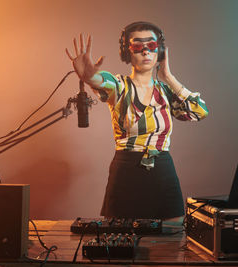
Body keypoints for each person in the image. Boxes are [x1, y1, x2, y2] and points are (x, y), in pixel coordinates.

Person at [66, 21, 208, 221]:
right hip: (126, 171)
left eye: (151, 46)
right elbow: (101, 80)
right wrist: (90, 77)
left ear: (160, 51)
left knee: (174, 236)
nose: (145, 52)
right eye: (137, 46)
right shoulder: (119, 86)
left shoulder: (166, 92)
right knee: (119, 238)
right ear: (127, 52)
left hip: (163, 170)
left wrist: (168, 76)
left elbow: (199, 111)